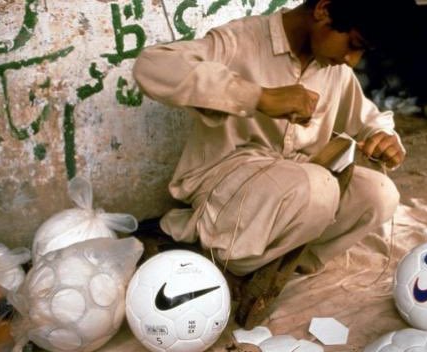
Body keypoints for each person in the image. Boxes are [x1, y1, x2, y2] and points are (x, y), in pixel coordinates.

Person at [132, 0, 407, 277]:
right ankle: (232, 263)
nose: (352, 60)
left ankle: (286, 264)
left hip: (298, 186)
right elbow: (152, 65)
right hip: (228, 179)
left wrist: (383, 137)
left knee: (379, 194)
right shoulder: (241, 40)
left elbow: (370, 118)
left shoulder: (334, 69)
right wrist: (258, 96)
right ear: (323, 10)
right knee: (319, 187)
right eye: (353, 44)